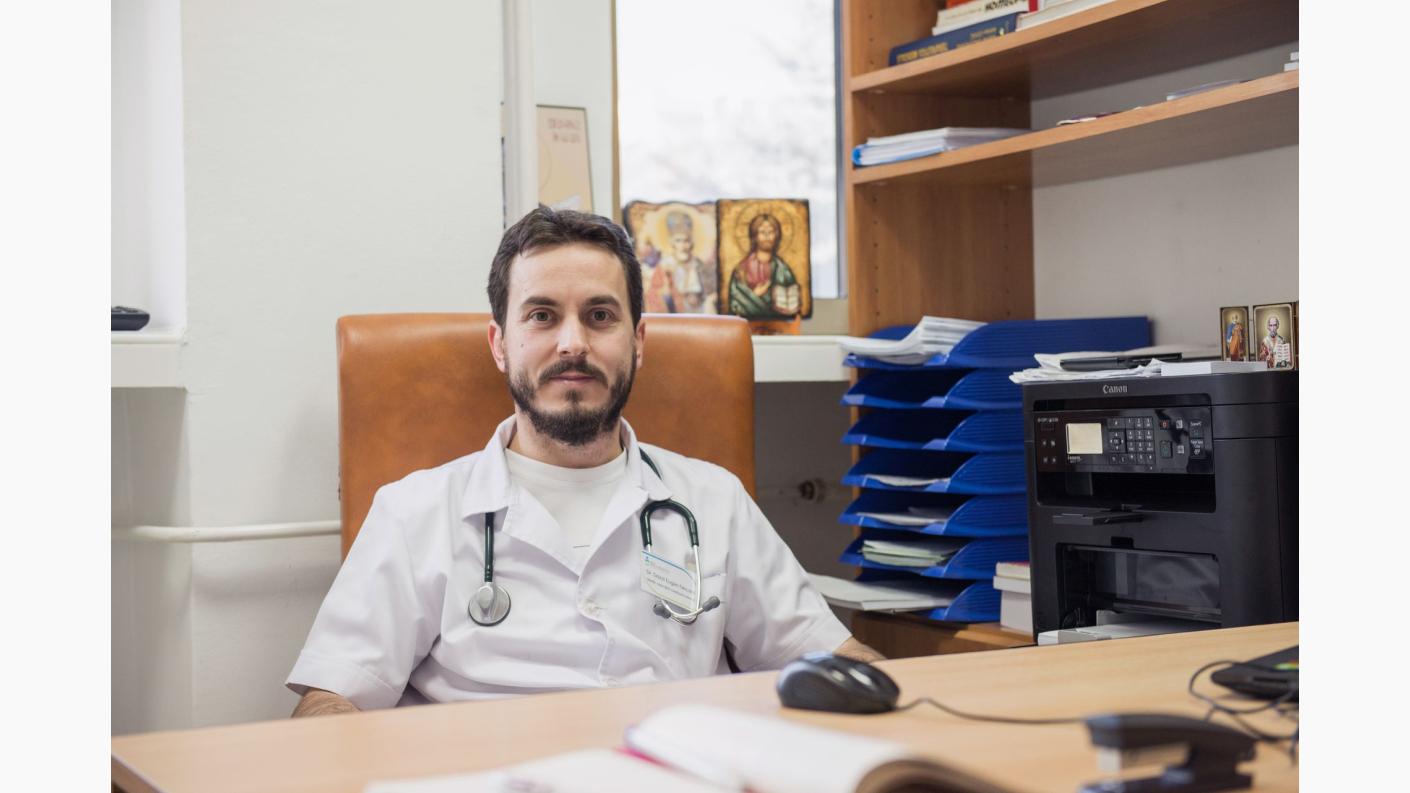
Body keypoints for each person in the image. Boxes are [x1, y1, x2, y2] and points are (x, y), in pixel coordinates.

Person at [287, 208, 880, 717]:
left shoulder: (712, 499)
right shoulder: (412, 511)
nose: (572, 343)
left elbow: (828, 656)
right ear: (499, 344)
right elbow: (331, 700)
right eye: (542, 316)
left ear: (638, 342)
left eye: (600, 316)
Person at [727, 213, 801, 319]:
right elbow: (736, 301)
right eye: (762, 232)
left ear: (777, 235)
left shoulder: (783, 270)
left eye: (771, 232)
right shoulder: (741, 270)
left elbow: (791, 302)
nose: (767, 236)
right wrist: (754, 295)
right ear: (754, 236)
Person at [645, 211, 712, 314]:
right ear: (672, 243)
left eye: (686, 241)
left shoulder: (699, 265)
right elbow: (654, 294)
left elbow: (709, 292)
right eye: (678, 241)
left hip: (699, 313)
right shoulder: (665, 266)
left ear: (691, 243)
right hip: (673, 315)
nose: (683, 246)